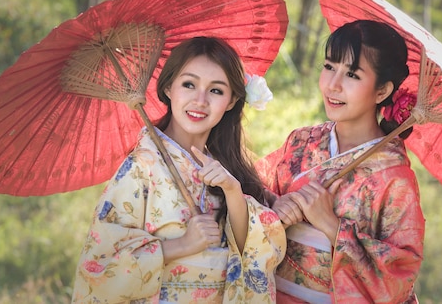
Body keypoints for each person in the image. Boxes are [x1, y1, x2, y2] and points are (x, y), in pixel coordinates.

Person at [72, 36, 287, 303]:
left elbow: (250, 251)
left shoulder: (226, 167)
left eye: (216, 90)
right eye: (189, 84)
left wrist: (233, 191)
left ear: (231, 101)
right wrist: (182, 245)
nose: (200, 100)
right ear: (169, 89)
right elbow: (99, 266)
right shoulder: (141, 166)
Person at [256, 20, 426, 303]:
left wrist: (332, 226)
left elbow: (399, 276)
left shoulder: (394, 178)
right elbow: (253, 189)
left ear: (382, 91)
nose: (333, 85)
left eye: (352, 75)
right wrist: (275, 205)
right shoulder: (301, 142)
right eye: (329, 67)